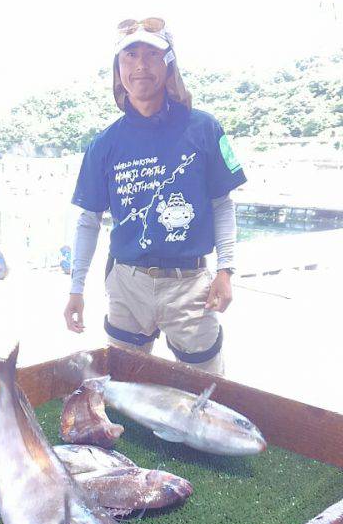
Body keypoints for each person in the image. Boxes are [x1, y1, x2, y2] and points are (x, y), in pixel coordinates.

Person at [64, 18, 246, 374]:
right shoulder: (104, 145)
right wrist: (76, 288)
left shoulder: (204, 128)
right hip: (127, 284)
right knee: (126, 384)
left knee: (206, 387)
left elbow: (222, 204)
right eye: (130, 56)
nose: (141, 66)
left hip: (191, 287)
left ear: (169, 64)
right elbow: (88, 221)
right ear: (118, 70)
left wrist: (225, 270)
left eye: (152, 54)